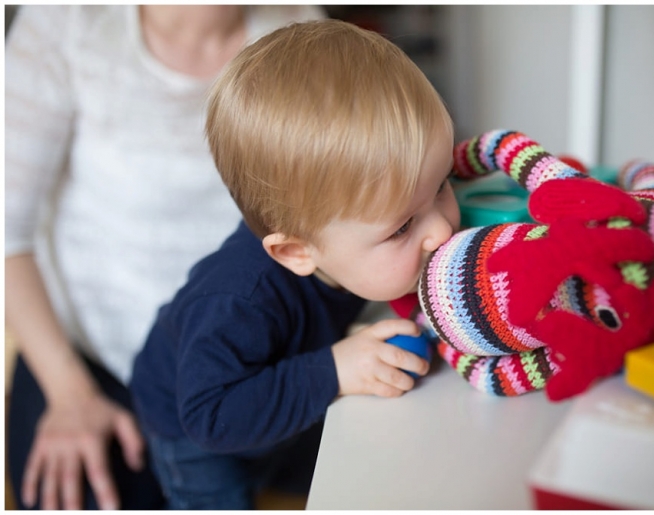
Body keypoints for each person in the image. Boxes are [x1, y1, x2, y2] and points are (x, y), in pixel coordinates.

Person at [128, 19, 459, 509]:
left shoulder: (343, 241)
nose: (443, 231)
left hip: (279, 375)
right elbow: (210, 414)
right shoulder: (237, 301)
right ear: (297, 252)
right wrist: (331, 371)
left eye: (442, 185)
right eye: (402, 228)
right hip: (196, 429)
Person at [5, 5, 324, 510]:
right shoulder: (65, 21)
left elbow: (333, 209)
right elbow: (7, 232)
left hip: (253, 358)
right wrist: (70, 395)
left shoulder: (303, 29)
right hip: (92, 365)